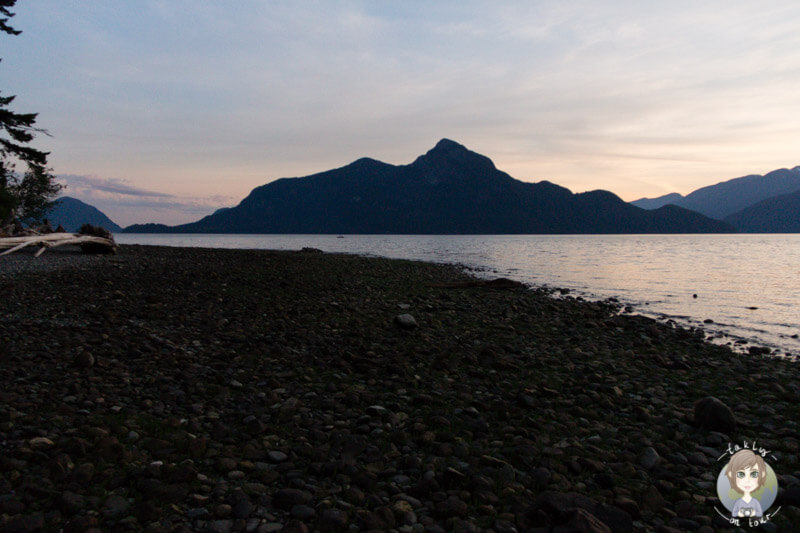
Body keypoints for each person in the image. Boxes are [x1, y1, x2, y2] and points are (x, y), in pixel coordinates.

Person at [725, 449, 767, 518]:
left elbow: (759, 513)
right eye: (741, 474)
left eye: (754, 474)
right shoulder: (738, 502)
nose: (747, 480)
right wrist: (739, 513)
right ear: (731, 475)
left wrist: (753, 513)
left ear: (762, 475)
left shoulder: (755, 502)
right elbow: (734, 513)